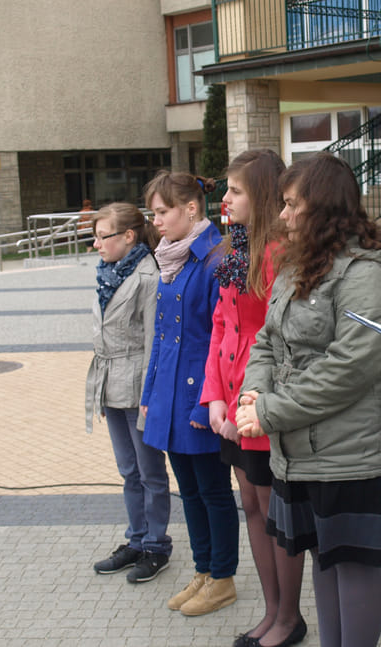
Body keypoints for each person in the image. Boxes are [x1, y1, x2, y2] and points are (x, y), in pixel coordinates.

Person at [236, 152, 381, 647]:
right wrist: (255, 391)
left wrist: (268, 411)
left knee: (353, 563)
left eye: (293, 205)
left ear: (326, 208)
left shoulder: (365, 273)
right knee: (321, 557)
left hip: (352, 453)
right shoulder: (296, 265)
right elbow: (267, 340)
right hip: (299, 449)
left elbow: (350, 368)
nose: (283, 215)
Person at [201, 150, 307, 647]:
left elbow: (277, 339)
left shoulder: (282, 252)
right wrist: (213, 398)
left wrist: (246, 400)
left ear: (261, 195)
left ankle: (289, 617)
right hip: (231, 399)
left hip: (262, 400)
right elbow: (221, 325)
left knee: (272, 510)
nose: (225, 199)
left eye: (235, 190)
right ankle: (272, 612)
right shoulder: (234, 247)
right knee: (250, 505)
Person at [140, 171, 240, 616]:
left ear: (192, 209)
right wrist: (149, 394)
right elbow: (161, 338)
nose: (156, 221)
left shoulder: (217, 258)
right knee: (190, 491)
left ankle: (223, 578)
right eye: (154, 213)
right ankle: (203, 569)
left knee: (214, 491)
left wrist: (210, 401)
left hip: (202, 396)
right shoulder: (170, 258)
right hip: (169, 397)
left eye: (163, 211)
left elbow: (222, 339)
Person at [86, 202, 172, 583]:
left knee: (150, 472)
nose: (96, 244)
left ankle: (156, 545)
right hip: (111, 383)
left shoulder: (147, 277)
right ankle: (136, 539)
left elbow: (154, 340)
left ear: (128, 236)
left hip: (138, 386)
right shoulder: (107, 272)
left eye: (102, 236)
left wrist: (149, 395)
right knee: (128, 470)